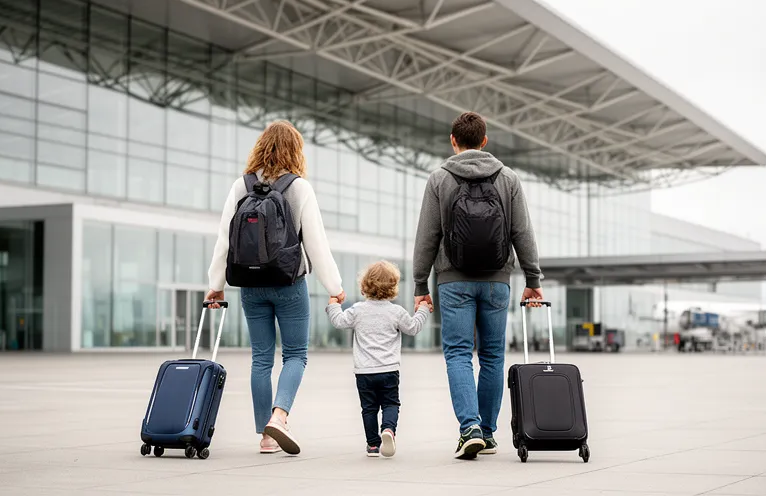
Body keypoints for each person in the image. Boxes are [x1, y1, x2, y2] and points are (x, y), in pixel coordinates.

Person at [206, 120, 346, 456]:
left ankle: (265, 436)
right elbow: (316, 243)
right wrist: (334, 286)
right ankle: (279, 416)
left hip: (250, 285)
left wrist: (215, 285)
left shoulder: (241, 186)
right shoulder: (299, 188)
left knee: (261, 359)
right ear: (295, 151)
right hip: (288, 283)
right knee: (296, 354)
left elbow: (224, 239)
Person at [412, 112, 544, 460]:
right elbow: (522, 232)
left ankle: (468, 428)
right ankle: (486, 432)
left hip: (453, 280)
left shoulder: (440, 178)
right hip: (497, 281)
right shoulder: (508, 178)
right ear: (484, 141)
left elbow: (427, 235)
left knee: (458, 354)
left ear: (453, 140)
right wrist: (533, 279)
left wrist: (419, 283)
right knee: (492, 355)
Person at [326, 261, 431, 458]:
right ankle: (388, 430)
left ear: (365, 285)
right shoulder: (396, 312)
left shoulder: (357, 310)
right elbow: (413, 328)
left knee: (369, 408)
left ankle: (373, 445)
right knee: (390, 404)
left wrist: (333, 305)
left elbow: (338, 321)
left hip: (364, 372)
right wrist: (423, 309)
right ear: (393, 287)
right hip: (389, 370)